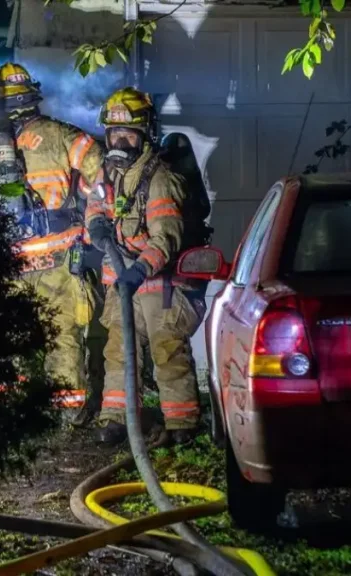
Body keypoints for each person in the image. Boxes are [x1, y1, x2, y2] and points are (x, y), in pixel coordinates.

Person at [86, 87, 208, 446]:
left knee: (167, 350)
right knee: (118, 351)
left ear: (145, 134)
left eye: (128, 133)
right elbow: (95, 203)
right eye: (113, 132)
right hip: (124, 284)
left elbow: (165, 239)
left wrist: (137, 272)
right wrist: (95, 224)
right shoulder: (109, 171)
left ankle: (181, 424)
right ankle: (116, 420)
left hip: (159, 285)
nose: (119, 139)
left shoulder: (160, 180)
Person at [0, 62, 108, 425]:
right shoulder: (62, 135)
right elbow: (102, 173)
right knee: (63, 338)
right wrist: (90, 223)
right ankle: (65, 416)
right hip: (57, 260)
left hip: (10, 265)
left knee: (12, 342)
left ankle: (17, 417)